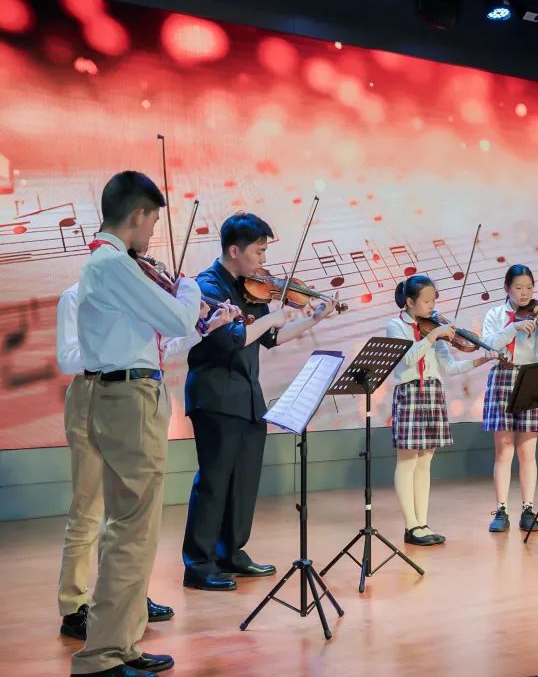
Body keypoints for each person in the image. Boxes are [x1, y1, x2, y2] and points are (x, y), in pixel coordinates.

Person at [55, 275, 239, 641]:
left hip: (133, 396)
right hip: (92, 394)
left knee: (127, 510)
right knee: (89, 508)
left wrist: (202, 329)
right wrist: (117, 348)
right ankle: (73, 606)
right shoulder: (75, 296)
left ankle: (124, 596)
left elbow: (156, 351)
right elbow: (67, 359)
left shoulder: (132, 294)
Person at [71, 170, 201, 677]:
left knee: (125, 528)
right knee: (132, 530)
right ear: (138, 215)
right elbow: (178, 319)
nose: (151, 235)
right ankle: (103, 655)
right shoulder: (114, 264)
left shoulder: (107, 264)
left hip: (118, 396)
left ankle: (120, 642)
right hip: (129, 399)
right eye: (152, 223)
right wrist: (188, 287)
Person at [181, 212, 335, 591]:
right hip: (215, 397)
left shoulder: (252, 289)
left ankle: (231, 552)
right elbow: (231, 338)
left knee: (244, 481)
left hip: (248, 397)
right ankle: (198, 564)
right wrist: (274, 317)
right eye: (259, 252)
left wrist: (313, 318)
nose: (264, 261)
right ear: (234, 250)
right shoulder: (206, 285)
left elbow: (270, 338)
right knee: (214, 481)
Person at [387, 275, 491, 545]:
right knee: (407, 461)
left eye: (434, 300)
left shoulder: (434, 328)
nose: (432, 306)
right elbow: (408, 358)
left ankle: (423, 523)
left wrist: (480, 360)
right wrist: (433, 336)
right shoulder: (395, 326)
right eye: (426, 301)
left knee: (425, 462)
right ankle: (411, 525)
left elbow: (450, 368)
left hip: (433, 391)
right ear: (410, 302)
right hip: (410, 392)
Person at [481, 265, 538, 532]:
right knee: (504, 449)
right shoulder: (495, 314)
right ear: (506, 289)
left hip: (530, 377)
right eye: (519, 287)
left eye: (529, 288)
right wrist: (514, 327)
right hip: (502, 378)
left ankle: (528, 509)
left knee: (527, 451)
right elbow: (489, 346)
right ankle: (501, 510)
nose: (525, 293)